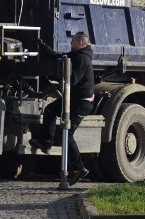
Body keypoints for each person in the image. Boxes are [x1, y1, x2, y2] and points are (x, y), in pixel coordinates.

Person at [29, 32, 95, 186]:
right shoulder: (77, 54)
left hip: (81, 102)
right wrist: (43, 46)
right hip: (73, 99)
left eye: (73, 40)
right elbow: (59, 57)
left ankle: (79, 168)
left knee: (67, 133)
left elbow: (72, 80)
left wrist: (55, 81)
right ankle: (46, 143)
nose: (70, 42)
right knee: (50, 111)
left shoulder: (82, 59)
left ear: (80, 42)